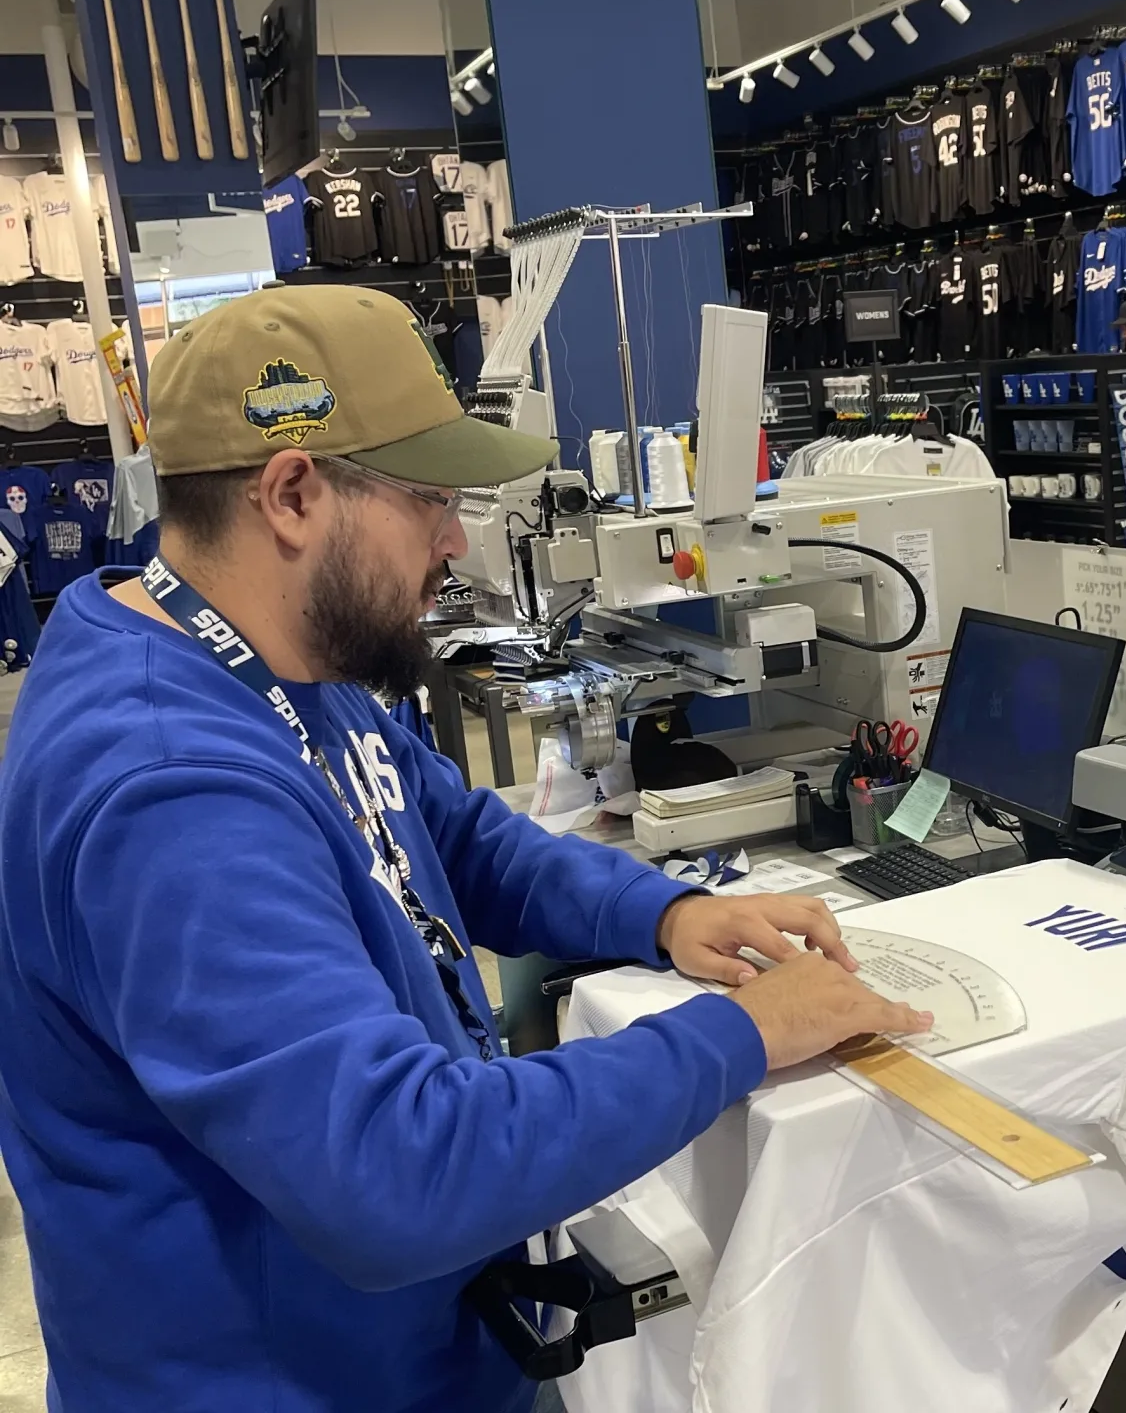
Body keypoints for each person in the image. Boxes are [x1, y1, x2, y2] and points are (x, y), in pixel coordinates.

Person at [0, 285, 932, 1413]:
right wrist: (741, 1031)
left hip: (420, 1358)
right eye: (430, 501)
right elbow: (396, 1170)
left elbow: (450, 829)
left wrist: (662, 914)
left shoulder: (276, 656)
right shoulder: (167, 793)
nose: (453, 541)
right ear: (292, 494)